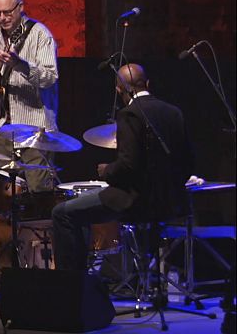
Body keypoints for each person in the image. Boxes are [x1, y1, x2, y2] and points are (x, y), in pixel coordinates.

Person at [51, 63, 194, 270]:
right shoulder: (174, 112)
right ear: (147, 84)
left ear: (119, 90)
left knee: (63, 213)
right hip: (170, 200)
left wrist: (107, 170)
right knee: (77, 210)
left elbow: (129, 166)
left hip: (134, 200)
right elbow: (188, 162)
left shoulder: (129, 114)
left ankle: (72, 284)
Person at [0, 0, 59, 193]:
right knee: (4, 190)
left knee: (39, 190)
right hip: (3, 124)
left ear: (20, 7)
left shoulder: (40, 35)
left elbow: (50, 78)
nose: (2, 18)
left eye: (7, 12)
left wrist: (20, 64)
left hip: (34, 126)